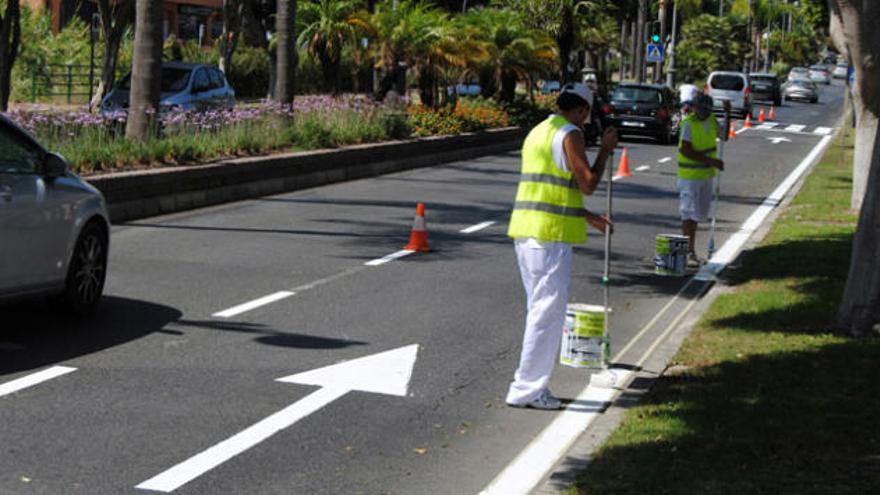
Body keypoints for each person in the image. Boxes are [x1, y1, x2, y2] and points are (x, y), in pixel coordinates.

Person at [505, 82, 618, 410]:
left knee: (539, 311)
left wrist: (587, 216)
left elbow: (550, 192)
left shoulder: (539, 131)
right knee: (546, 315)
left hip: (528, 233)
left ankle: (529, 385)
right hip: (550, 238)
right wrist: (607, 150)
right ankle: (527, 389)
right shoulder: (570, 133)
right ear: (582, 110)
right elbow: (588, 183)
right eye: (587, 114)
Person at [677, 93, 724, 267]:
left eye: (705, 109)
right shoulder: (688, 124)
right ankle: (688, 251)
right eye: (699, 108)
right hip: (689, 177)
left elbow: (724, 136)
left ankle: (691, 250)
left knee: (698, 215)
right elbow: (686, 150)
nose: (702, 112)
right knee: (688, 214)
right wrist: (711, 161)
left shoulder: (712, 120)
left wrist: (727, 113)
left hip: (706, 175)